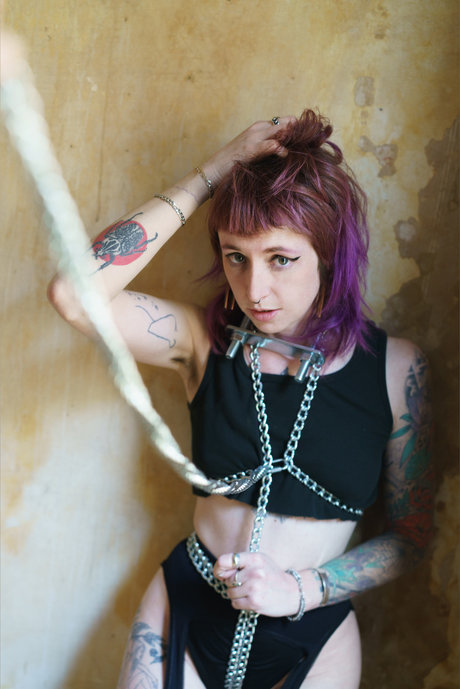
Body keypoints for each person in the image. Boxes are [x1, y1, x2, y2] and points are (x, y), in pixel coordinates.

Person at [48, 110, 434, 689]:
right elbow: (74, 295)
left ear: (329, 253)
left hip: (311, 634)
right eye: (236, 256)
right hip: (185, 606)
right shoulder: (202, 343)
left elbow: (412, 537)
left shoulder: (397, 370)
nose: (255, 289)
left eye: (281, 258)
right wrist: (213, 173)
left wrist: (300, 589)